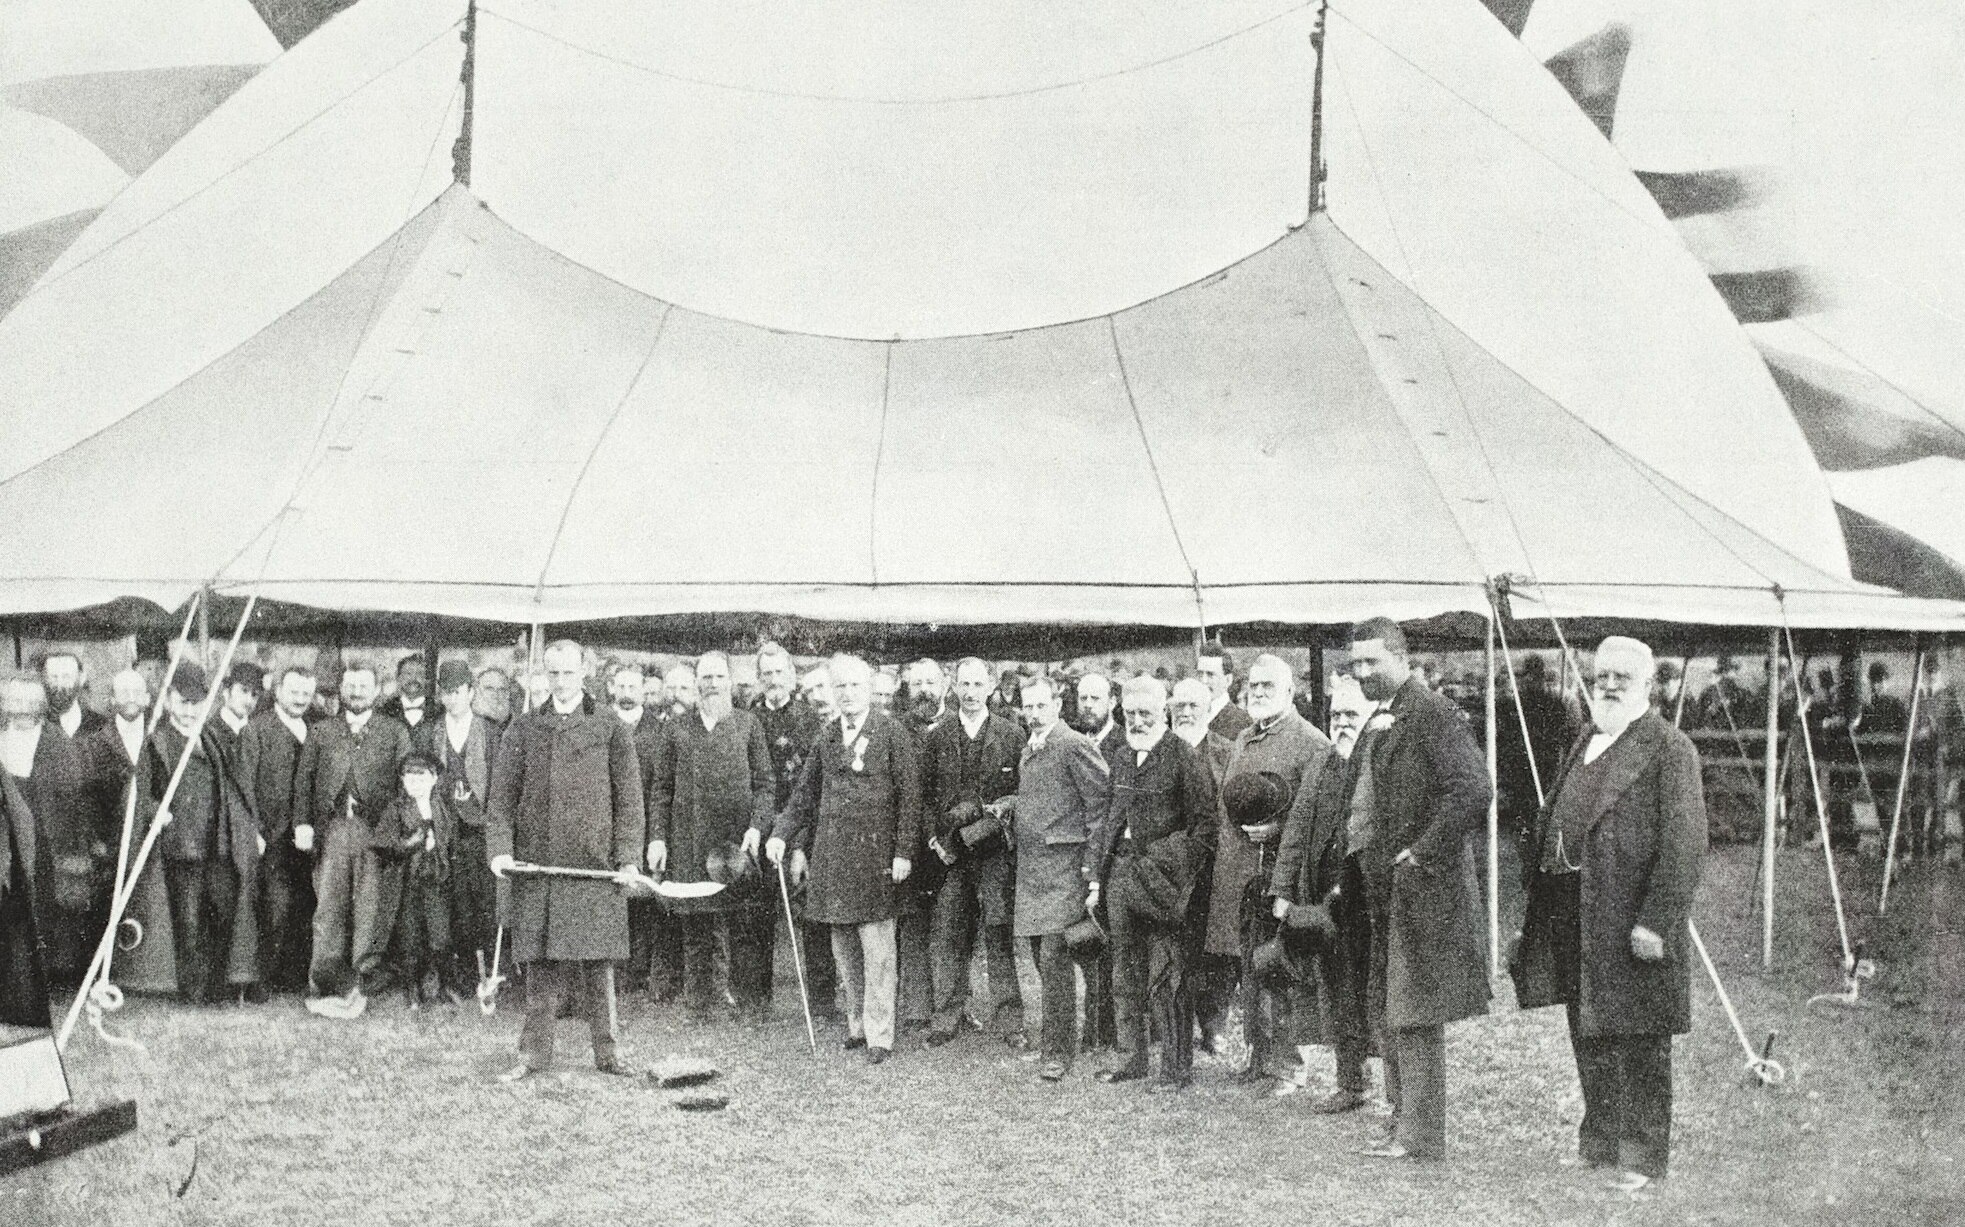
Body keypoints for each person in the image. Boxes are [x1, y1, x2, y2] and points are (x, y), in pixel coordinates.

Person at [1512, 636, 1706, 1192]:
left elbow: (1685, 843)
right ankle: (1600, 1140)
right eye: (1602, 676)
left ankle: (1642, 1158)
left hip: (1629, 917)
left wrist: (1657, 921)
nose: (1611, 685)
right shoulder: (1587, 739)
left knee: (1640, 1036)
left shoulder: (1670, 749)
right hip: (1573, 908)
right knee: (1588, 1027)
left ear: (1648, 685)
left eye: (1624, 676)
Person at [1346, 617, 1491, 1161]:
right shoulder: (1387, 715)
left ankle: (1420, 1133)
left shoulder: (1431, 712)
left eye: (1371, 663)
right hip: (1390, 887)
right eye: (1355, 664)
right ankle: (1402, 1121)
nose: (1362, 674)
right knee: (1394, 1005)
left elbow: (1474, 789)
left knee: (1416, 1009)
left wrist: (1421, 851)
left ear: (1401, 658)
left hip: (1423, 888)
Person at [487, 640, 647, 1081]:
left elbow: (630, 803)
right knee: (540, 967)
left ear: (584, 674)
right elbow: (500, 803)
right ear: (544, 675)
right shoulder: (523, 729)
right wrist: (500, 850)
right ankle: (533, 1056)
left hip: (594, 868)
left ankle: (609, 1053)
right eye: (553, 673)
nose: (560, 682)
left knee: (599, 966)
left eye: (568, 673)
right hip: (539, 869)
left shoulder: (610, 727)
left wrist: (628, 859)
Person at [767, 655, 921, 1065]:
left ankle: (880, 1034)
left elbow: (910, 799)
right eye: (841, 688)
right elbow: (803, 796)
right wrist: (780, 834)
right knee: (844, 949)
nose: (848, 695)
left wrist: (904, 851)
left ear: (868, 689)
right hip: (834, 859)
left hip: (876, 860)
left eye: (854, 686)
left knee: (879, 952)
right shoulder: (827, 737)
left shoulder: (892, 733)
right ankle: (856, 1022)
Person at [1204, 654, 1332, 1092]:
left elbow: (1319, 812)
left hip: (1284, 875)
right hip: (1242, 874)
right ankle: (1258, 1057)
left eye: (1267, 686)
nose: (1257, 693)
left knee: (1281, 967)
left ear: (1290, 692)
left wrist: (1278, 829)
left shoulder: (1311, 742)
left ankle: (1286, 1064)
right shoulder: (1242, 738)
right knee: (1249, 969)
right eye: (1253, 686)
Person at [1087, 675, 1218, 1093]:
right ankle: (1132, 1059)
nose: (1138, 721)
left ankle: (1175, 1068)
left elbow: (1204, 829)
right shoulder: (1123, 757)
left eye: (1146, 713)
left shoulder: (1184, 757)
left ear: (1164, 712)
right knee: (1124, 974)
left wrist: (1169, 871)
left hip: (1163, 884)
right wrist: (1097, 876)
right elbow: (1110, 819)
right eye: (1131, 713)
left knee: (1167, 977)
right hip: (1120, 878)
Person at [647, 651, 777, 1024]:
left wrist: (756, 826)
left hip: (735, 844)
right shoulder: (677, 729)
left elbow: (766, 784)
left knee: (739, 923)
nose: (713, 685)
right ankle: (698, 1002)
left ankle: (739, 999)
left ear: (730, 683)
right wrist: (658, 838)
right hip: (689, 841)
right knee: (696, 924)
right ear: (696, 684)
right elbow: (661, 789)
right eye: (706, 678)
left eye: (719, 677)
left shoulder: (748, 724)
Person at [1270, 676, 1377, 1113]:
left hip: (1368, 897)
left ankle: (1392, 1087)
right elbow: (1295, 830)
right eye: (1335, 715)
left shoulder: (1376, 759)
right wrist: (1282, 890)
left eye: (1352, 715)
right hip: (1326, 904)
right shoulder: (1322, 762)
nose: (1342, 724)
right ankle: (1351, 1082)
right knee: (1338, 988)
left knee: (1375, 990)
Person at [997, 673, 1110, 1081]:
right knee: (1041, 960)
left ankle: (1057, 1051)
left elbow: (1101, 810)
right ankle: (1079, 1035)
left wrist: (1092, 869)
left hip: (1065, 870)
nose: (1034, 713)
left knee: (1056, 960)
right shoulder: (1031, 749)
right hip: (1032, 872)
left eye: (1042, 705)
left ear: (1058, 706)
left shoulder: (1074, 744)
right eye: (1028, 706)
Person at [132, 663, 262, 1005]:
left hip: (218, 844)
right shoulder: (156, 742)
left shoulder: (211, 738)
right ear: (170, 702)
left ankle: (216, 988)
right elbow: (139, 792)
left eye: (197, 703)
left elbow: (233, 789)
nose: (190, 710)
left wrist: (247, 830)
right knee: (188, 923)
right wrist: (154, 810)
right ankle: (193, 992)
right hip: (182, 847)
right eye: (183, 702)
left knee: (223, 914)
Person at [921, 658, 1027, 1048]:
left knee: (998, 932)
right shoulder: (938, 735)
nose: (969, 692)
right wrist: (935, 840)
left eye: (977, 684)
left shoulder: (1011, 734)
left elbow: (1021, 795)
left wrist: (993, 822)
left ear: (991, 686)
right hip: (952, 855)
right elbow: (924, 796)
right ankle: (949, 1014)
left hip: (993, 852)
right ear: (953, 685)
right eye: (963, 684)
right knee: (950, 932)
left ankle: (1009, 1019)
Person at [299, 662, 412, 1013]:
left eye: (364, 685)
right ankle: (325, 983)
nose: (357, 691)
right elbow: (304, 781)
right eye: (351, 685)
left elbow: (406, 785)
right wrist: (302, 823)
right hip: (333, 830)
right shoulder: (321, 731)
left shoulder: (394, 732)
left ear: (378, 691)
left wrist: (398, 829)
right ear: (341, 690)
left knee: (369, 909)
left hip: (374, 832)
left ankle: (362, 981)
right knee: (328, 908)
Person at [746, 642, 837, 1021]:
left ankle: (821, 1002)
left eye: (779, 673)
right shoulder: (748, 718)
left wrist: (800, 845)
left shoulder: (810, 720)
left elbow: (812, 790)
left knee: (811, 918)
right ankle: (756, 1001)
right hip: (759, 830)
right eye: (765, 674)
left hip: (802, 829)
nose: (772, 681)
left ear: (791, 675)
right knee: (755, 916)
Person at [415, 662, 501, 997]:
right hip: (442, 829)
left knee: (477, 906)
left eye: (458, 692)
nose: (451, 700)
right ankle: (450, 977)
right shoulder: (428, 733)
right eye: (446, 693)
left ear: (470, 692)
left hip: (477, 833)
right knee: (444, 906)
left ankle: (481, 975)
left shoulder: (490, 733)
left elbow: (499, 785)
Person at [1, 675, 95, 984]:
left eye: (31, 703)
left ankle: (35, 978)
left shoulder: (57, 744)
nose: (23, 710)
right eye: (17, 702)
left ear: (42, 706)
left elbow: (75, 797)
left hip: (44, 844)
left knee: (38, 910)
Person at [236, 666, 318, 995]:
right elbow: (244, 785)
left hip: (307, 835)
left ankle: (295, 976)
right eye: (293, 692)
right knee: (274, 907)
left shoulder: (317, 729)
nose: (299, 699)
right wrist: (254, 828)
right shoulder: (256, 731)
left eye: (306, 694)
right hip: (271, 838)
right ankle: (262, 978)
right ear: (278, 691)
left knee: (305, 907)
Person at [1169, 677, 1236, 1054]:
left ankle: (1214, 1027)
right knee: (1176, 950)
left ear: (1208, 707)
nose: (1187, 712)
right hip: (1173, 867)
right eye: (1180, 705)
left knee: (1216, 952)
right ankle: (1172, 1025)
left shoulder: (1225, 752)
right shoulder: (1160, 751)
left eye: (1194, 705)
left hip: (1215, 866)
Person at [370, 752, 458, 1007]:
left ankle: (442, 987)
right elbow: (381, 842)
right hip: (407, 882)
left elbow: (452, 839)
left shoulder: (442, 807)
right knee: (410, 938)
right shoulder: (397, 808)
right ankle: (413, 990)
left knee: (440, 936)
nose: (415, 785)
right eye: (409, 780)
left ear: (433, 779)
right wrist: (409, 844)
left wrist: (439, 848)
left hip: (436, 882)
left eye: (421, 779)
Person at [40, 651, 108, 741]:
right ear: (44, 680)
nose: (60, 684)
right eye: (53, 677)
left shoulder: (102, 725)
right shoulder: (38, 724)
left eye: (66, 677)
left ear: (82, 678)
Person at [1198, 643, 1253, 741]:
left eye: (1210, 675)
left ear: (1228, 680)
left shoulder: (1243, 721)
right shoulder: (1191, 715)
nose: (1203, 681)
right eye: (1200, 674)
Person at [376, 655, 431, 728]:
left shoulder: (439, 711)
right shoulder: (385, 710)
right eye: (408, 673)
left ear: (426, 680)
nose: (413, 678)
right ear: (398, 677)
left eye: (419, 674)